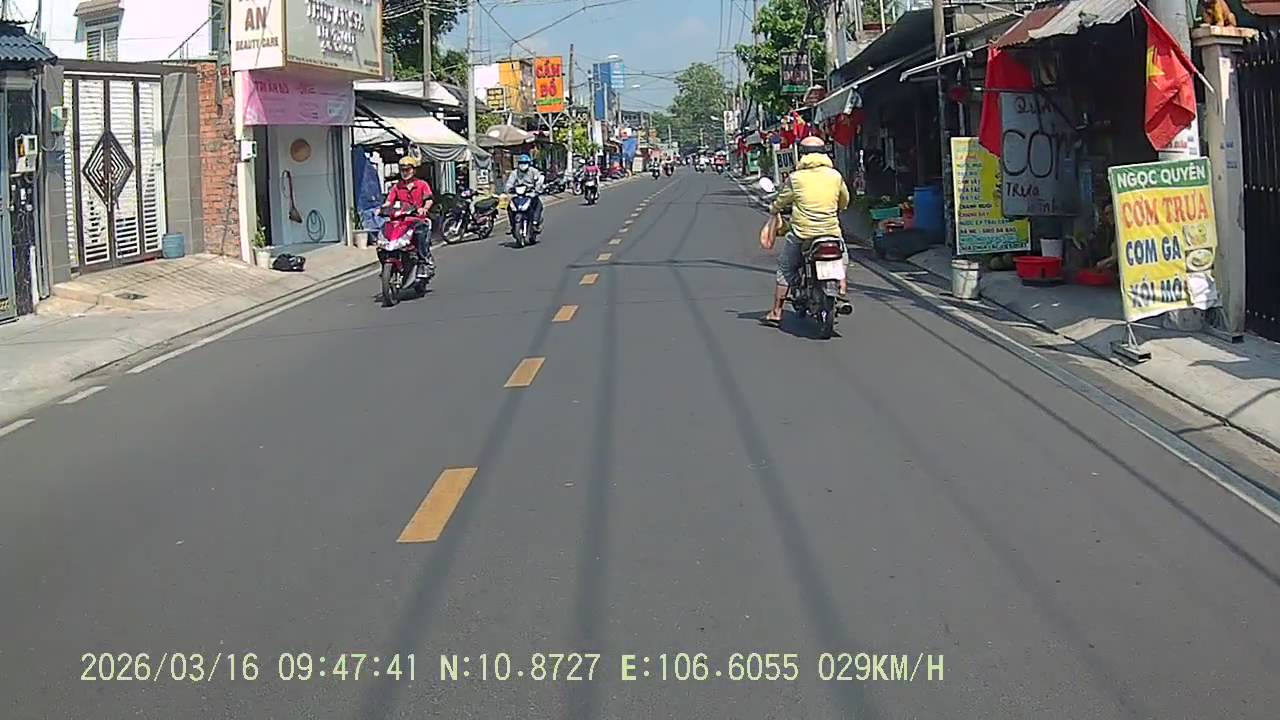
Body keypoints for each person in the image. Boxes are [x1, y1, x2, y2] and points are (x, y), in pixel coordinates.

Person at [764, 136, 850, 325]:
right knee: (843, 258)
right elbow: (845, 201)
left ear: (802, 155)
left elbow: (781, 200)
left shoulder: (796, 178)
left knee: (785, 267)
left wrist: (774, 210)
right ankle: (842, 289)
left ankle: (777, 312)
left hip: (803, 234)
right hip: (831, 232)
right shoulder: (835, 176)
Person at [381, 155, 435, 279]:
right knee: (384, 237)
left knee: (420, 234)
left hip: (417, 220)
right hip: (400, 221)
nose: (405, 172)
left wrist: (424, 209)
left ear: (413, 170)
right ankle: (387, 265)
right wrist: (382, 209)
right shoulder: (396, 187)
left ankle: (424, 262)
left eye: (407, 169)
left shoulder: (422, 184)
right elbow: (388, 202)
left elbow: (429, 199)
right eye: (402, 170)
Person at [504, 153, 545, 233]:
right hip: (518, 194)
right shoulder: (515, 173)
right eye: (521, 163)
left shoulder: (533, 171)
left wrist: (538, 188)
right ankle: (512, 225)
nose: (523, 165)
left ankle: (535, 223)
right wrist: (508, 189)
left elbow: (539, 179)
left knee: (538, 205)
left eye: (525, 163)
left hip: (530, 193)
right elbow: (509, 183)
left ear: (529, 163)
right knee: (510, 207)